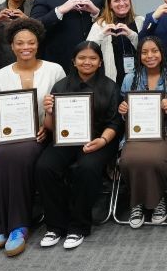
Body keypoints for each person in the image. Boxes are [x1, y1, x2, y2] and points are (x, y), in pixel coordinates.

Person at [0, 18, 65, 256]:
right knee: (1, 153)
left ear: (37, 44)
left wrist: (48, 126)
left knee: (19, 155)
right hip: (11, 135)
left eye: (30, 42)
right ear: (11, 46)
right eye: (19, 43)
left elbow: (64, 107)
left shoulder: (54, 70)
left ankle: (17, 226)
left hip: (44, 134)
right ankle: (2, 224)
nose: (25, 47)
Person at [35, 41, 122, 250]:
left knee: (87, 168)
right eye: (82, 58)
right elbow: (50, 127)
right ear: (74, 61)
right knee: (44, 167)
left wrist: (103, 141)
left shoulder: (110, 86)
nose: (87, 62)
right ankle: (55, 225)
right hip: (66, 139)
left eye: (93, 58)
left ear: (100, 62)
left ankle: (78, 226)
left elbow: (115, 123)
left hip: (100, 139)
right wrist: (49, 112)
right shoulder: (61, 86)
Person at [117, 36, 167, 228]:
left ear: (162, 53)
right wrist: (123, 110)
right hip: (136, 134)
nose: (150, 56)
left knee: (155, 159)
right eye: (144, 52)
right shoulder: (130, 78)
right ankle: (136, 203)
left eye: (154, 51)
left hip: (165, 132)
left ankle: (157, 200)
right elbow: (124, 113)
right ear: (139, 56)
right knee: (128, 160)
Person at [86, 0, 144, 83]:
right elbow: (87, 50)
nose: (122, 3)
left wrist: (131, 35)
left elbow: (146, 49)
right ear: (110, 4)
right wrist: (101, 34)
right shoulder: (100, 24)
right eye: (116, 0)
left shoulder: (140, 21)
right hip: (112, 79)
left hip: (138, 78)